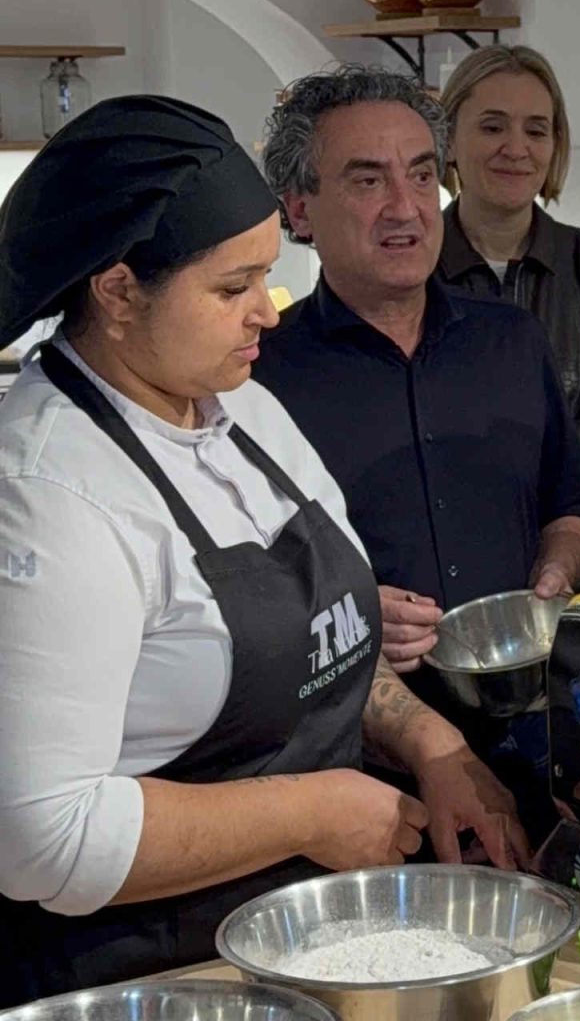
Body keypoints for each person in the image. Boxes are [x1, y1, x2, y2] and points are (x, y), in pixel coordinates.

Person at [0, 96, 526, 1005]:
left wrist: (434, 744)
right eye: (231, 287)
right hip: (150, 977)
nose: (268, 314)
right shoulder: (49, 495)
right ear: (118, 292)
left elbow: (323, 646)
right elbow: (42, 837)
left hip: (298, 942)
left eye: (267, 278)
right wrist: (312, 811)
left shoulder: (240, 406)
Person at [250, 66, 580, 841]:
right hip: (366, 784)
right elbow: (249, 607)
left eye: (419, 173)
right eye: (367, 180)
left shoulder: (511, 341)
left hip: (540, 749)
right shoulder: (257, 385)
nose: (406, 208)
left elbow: (574, 502)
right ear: (299, 208)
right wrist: (343, 609)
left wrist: (557, 570)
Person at [437, 45, 580, 511]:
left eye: (536, 130)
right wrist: (574, 434)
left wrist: (513, 445)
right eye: (492, 126)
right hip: (448, 550)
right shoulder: (408, 269)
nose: (517, 148)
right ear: (447, 140)